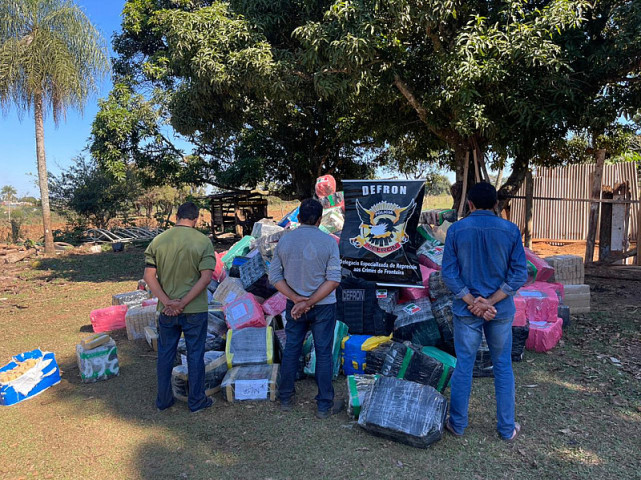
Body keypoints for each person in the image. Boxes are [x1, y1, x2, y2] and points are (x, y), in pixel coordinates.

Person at [441, 182, 528, 441]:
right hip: (499, 310)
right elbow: (519, 273)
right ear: (496, 204)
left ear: (469, 204)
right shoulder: (511, 230)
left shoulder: (456, 230)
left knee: (464, 365)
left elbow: (449, 273)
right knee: (502, 366)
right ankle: (506, 429)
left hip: (466, 310)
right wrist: (491, 302)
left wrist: (472, 301)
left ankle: (457, 425)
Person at [268, 198, 344, 419]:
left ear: (298, 218)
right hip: (323, 306)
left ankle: (285, 397)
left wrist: (297, 300)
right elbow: (333, 280)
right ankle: (323, 405)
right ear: (320, 220)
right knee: (323, 352)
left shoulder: (285, 241)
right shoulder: (329, 242)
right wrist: (309, 302)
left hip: (295, 306)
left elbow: (274, 277)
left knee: (292, 348)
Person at [143, 202, 216, 413]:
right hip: (195, 310)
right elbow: (206, 278)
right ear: (196, 219)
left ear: (177, 216)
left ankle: (164, 400)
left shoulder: (158, 241)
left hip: (166, 311)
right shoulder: (202, 241)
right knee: (195, 354)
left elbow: (149, 276)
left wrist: (167, 302)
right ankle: (196, 401)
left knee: (165, 354)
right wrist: (183, 303)